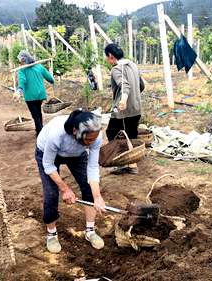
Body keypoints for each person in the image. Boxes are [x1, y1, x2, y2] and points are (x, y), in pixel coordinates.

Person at [35, 109, 107, 253]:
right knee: (51, 193)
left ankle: (90, 231)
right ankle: (51, 234)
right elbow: (48, 165)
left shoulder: (95, 136)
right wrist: (65, 189)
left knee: (89, 189)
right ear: (75, 131)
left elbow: (92, 167)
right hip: (47, 154)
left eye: (94, 139)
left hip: (76, 155)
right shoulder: (57, 134)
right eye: (88, 140)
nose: (91, 143)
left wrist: (97, 197)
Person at [104, 43, 145, 174]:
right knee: (131, 134)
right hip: (136, 108)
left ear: (110, 56)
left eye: (106, 56)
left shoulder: (116, 69)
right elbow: (141, 85)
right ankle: (132, 164)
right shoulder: (133, 65)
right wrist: (134, 98)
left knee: (112, 133)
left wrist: (123, 100)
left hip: (122, 111)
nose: (106, 59)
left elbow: (125, 86)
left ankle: (122, 162)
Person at [16, 50, 55, 136]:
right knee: (38, 112)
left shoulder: (22, 70)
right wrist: (52, 81)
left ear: (23, 60)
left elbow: (22, 80)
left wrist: (19, 90)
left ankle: (41, 133)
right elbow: (48, 77)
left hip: (30, 96)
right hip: (40, 94)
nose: (19, 61)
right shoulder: (39, 66)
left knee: (35, 115)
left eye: (20, 59)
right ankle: (39, 130)